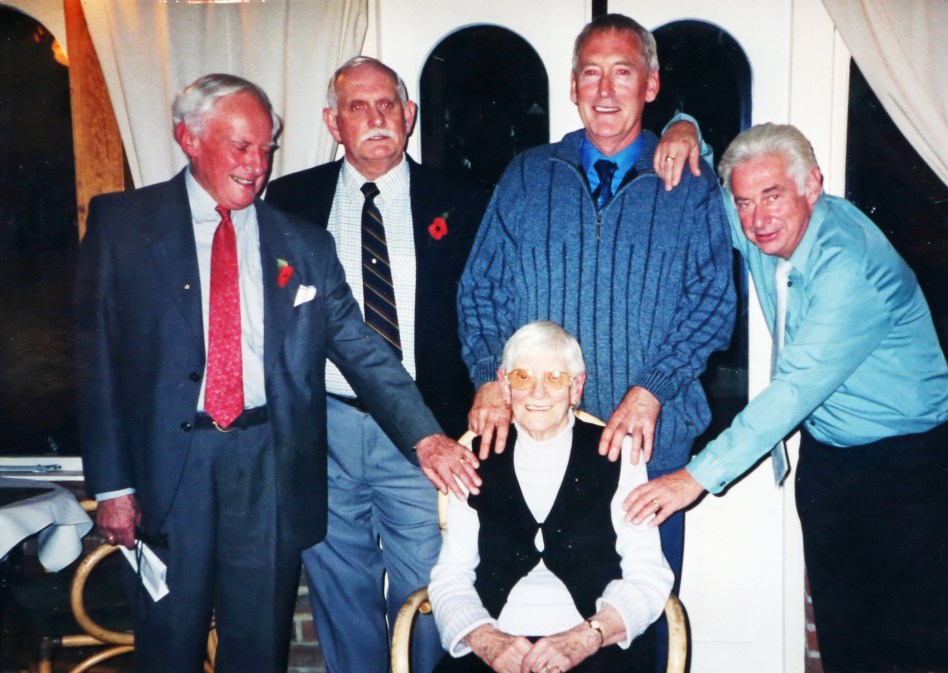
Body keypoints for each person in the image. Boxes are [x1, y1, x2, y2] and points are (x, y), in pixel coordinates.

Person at [75, 73, 481, 673]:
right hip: (168, 473)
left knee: (258, 646)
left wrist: (425, 435)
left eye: (266, 149)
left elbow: (362, 349)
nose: (256, 166)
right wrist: (112, 486)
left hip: (268, 467)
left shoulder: (301, 242)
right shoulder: (123, 225)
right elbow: (97, 365)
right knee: (169, 641)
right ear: (188, 138)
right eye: (241, 147)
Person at [627, 123, 948, 673]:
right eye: (747, 201)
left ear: (813, 187)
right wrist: (685, 129)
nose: (757, 219)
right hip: (832, 457)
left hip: (910, 465)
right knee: (843, 631)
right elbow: (707, 178)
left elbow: (792, 392)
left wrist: (693, 478)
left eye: (773, 196)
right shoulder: (763, 223)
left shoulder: (848, 264)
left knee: (916, 641)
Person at [457, 14, 735, 665]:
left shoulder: (689, 183)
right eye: (591, 71)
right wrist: (488, 380)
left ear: (651, 85)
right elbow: (481, 293)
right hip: (535, 446)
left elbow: (711, 302)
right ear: (572, 84)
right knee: (527, 617)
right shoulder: (527, 176)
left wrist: (651, 389)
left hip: (650, 441)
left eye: (623, 72)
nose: (605, 90)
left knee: (636, 623)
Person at [265, 56, 487, 673]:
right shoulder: (287, 202)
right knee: (340, 591)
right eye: (358, 108)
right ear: (333, 123)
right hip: (325, 428)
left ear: (409, 115)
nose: (376, 118)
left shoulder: (461, 201)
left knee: (429, 588)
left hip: (424, 431)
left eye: (388, 104)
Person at [430, 321, 673, 673]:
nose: (538, 393)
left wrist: (585, 637)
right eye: (523, 378)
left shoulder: (619, 454)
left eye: (556, 378)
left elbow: (648, 573)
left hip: (594, 645)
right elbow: (451, 576)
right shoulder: (473, 457)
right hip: (495, 646)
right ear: (504, 385)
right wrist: (486, 640)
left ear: (577, 388)